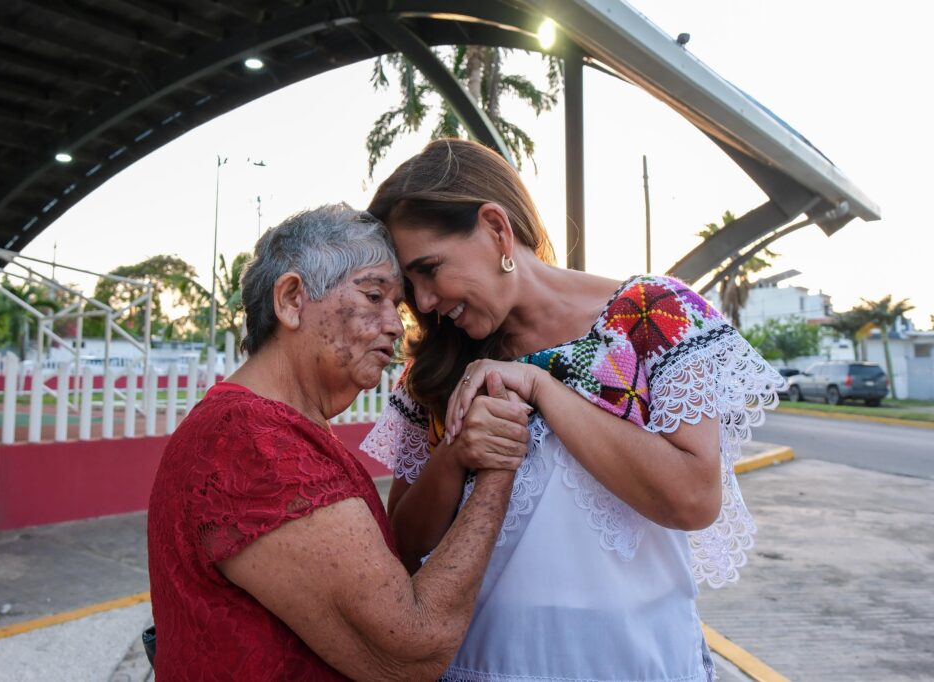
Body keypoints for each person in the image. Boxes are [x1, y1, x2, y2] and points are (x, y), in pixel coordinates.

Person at [362, 139, 784, 682]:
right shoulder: (437, 370)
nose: (422, 303)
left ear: (496, 229)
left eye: (430, 269)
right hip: (482, 664)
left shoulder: (654, 316)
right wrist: (457, 452)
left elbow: (693, 498)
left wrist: (542, 387)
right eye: (409, 287)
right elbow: (404, 541)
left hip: (636, 662)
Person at [146, 204, 532, 680]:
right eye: (374, 296)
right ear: (291, 300)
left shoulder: (274, 428)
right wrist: (498, 464)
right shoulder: (252, 440)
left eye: (399, 307)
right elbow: (412, 647)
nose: (395, 325)